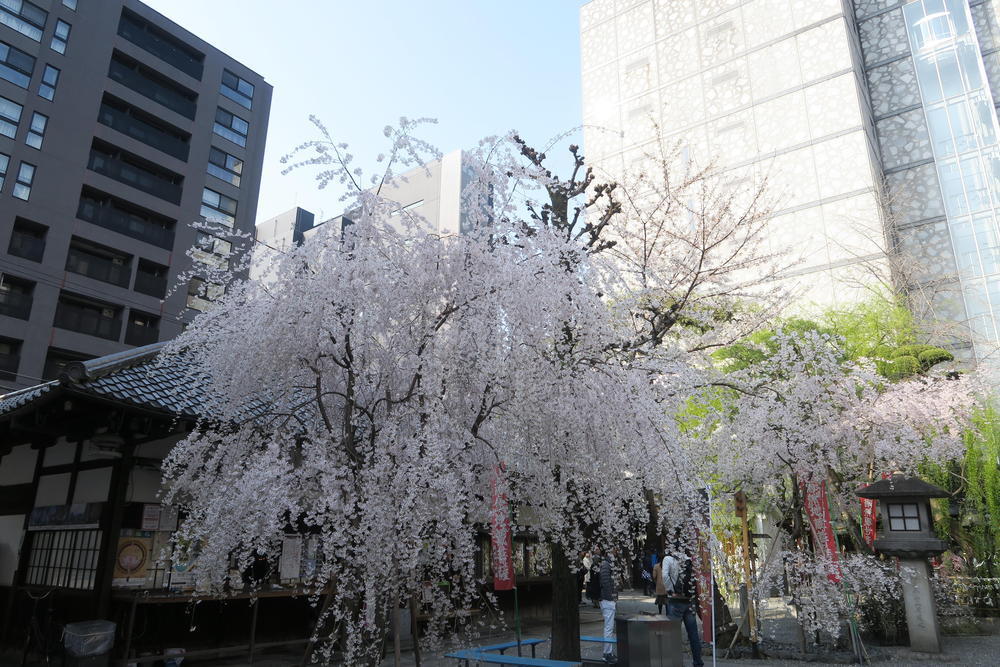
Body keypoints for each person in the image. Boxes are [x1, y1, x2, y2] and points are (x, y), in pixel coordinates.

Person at [664, 550, 704, 667]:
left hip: (676, 601)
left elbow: (665, 575)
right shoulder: (688, 558)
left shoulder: (668, 559)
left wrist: (671, 590)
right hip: (689, 600)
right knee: (693, 634)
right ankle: (698, 662)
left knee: (673, 634)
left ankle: (675, 662)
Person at [599, 548, 618, 664]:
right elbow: (605, 581)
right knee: (608, 628)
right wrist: (611, 597)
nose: (616, 552)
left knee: (609, 627)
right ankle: (607, 653)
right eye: (614, 550)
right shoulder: (606, 564)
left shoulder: (608, 564)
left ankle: (608, 652)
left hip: (609, 599)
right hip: (607, 600)